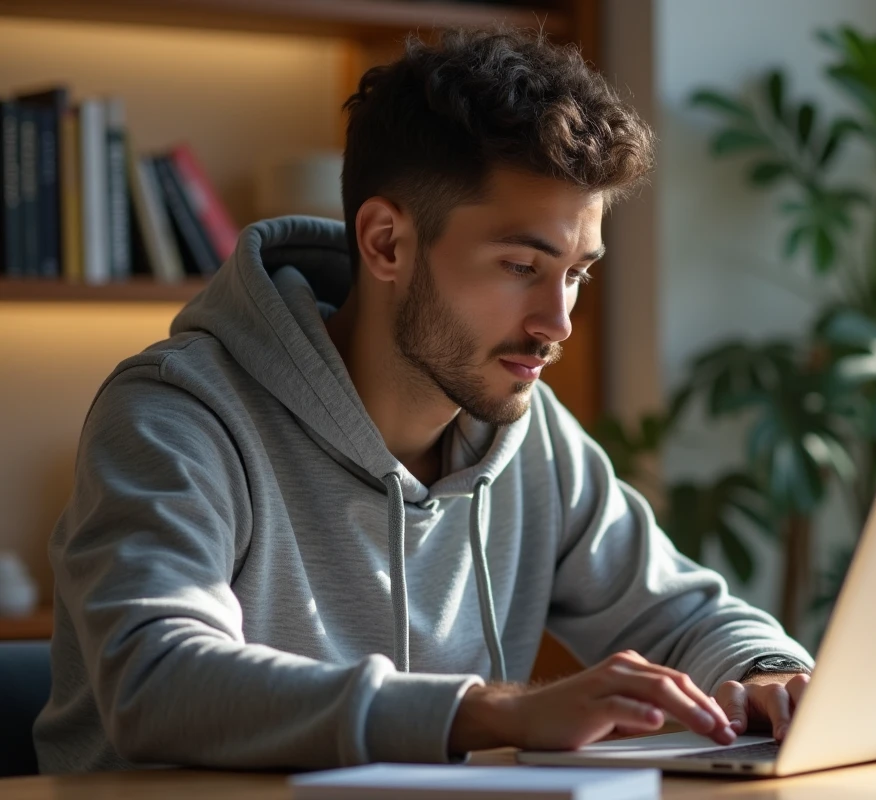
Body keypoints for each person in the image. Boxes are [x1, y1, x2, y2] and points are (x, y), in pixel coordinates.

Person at [33, 27, 814, 773]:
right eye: (520, 265)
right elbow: (156, 679)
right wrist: (491, 712)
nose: (558, 323)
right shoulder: (178, 415)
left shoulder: (525, 428)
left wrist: (772, 675)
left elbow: (680, 615)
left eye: (577, 271)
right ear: (386, 243)